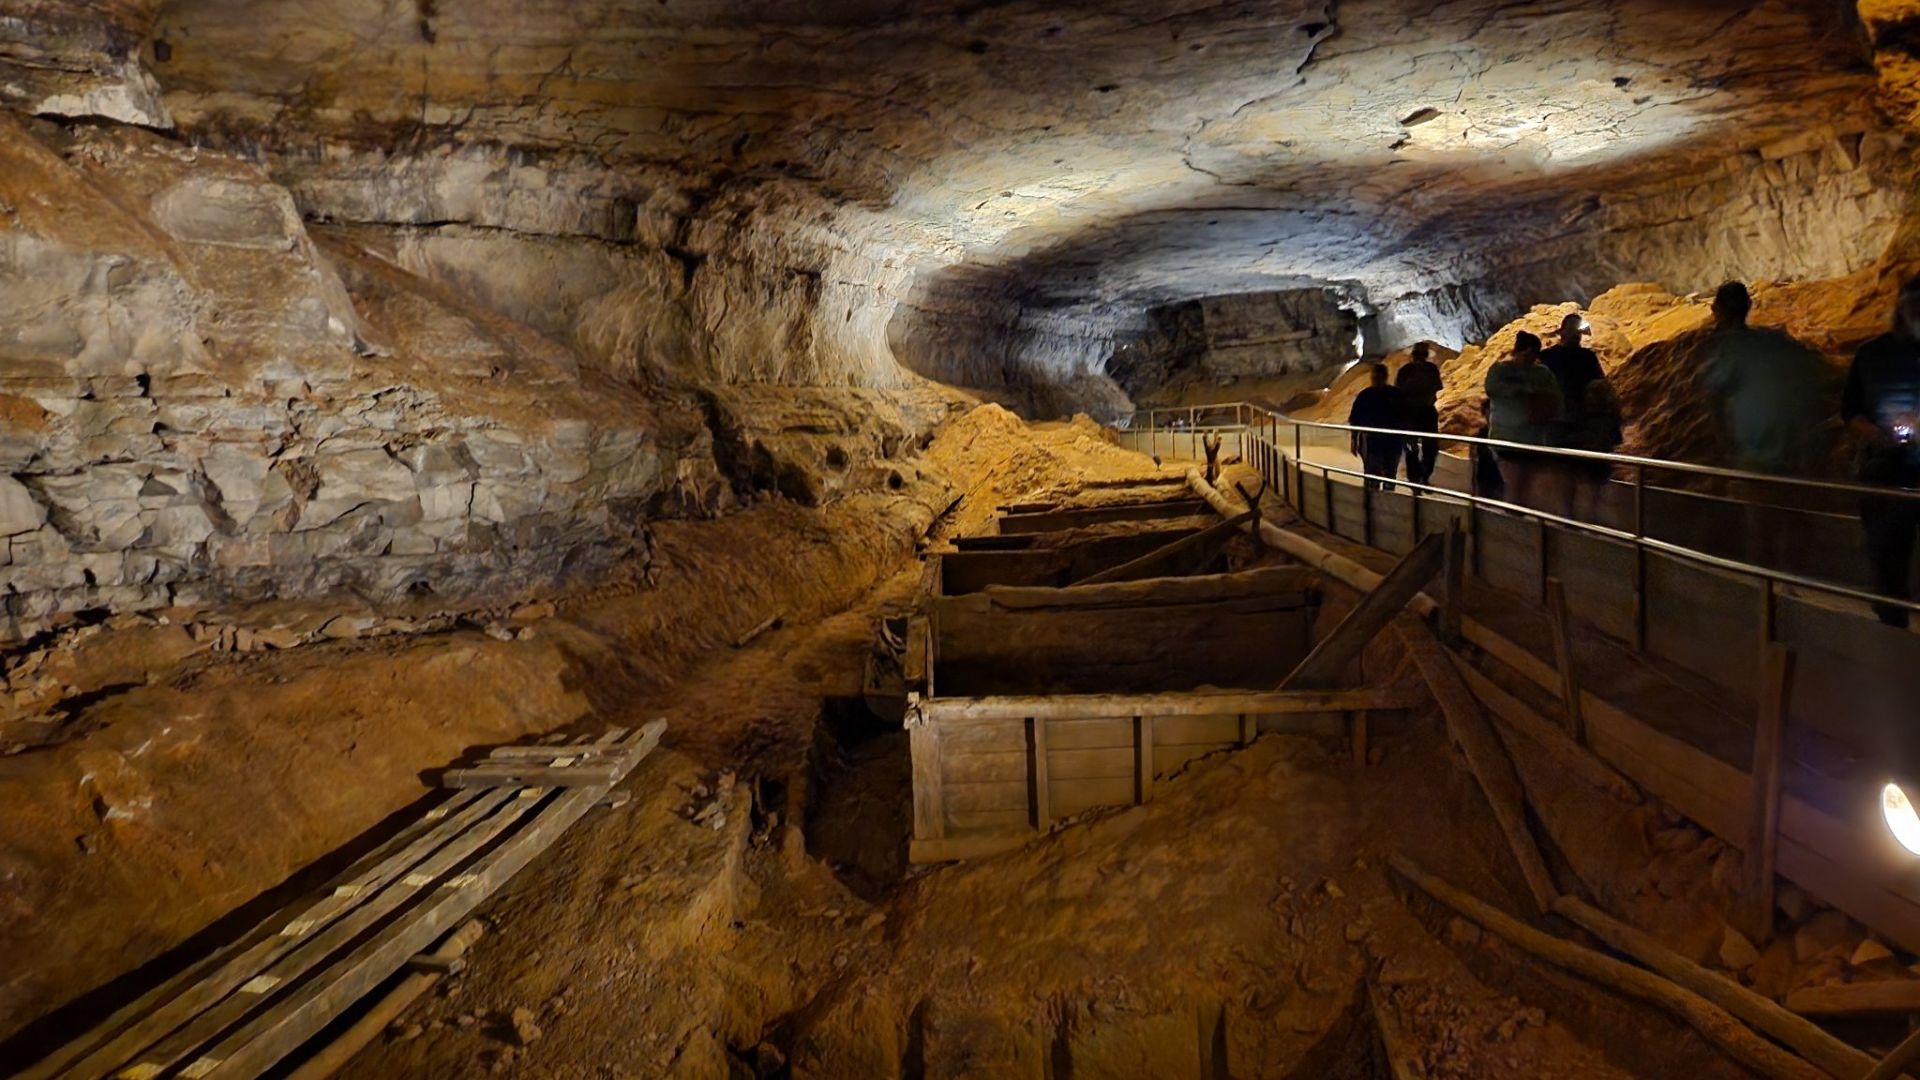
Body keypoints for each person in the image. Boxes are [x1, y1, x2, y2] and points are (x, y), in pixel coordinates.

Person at [1700, 281, 1832, 569]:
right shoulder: (1776, 341)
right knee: (1796, 522)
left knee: (1762, 528)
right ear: (1749, 306)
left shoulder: (1731, 350)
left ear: (1716, 310)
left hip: (1757, 452)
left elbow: (1712, 396)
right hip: (1797, 447)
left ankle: (1767, 594)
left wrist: (1728, 447)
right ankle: (1788, 586)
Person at [1843, 274, 1920, 627]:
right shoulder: (1873, 354)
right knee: (1888, 565)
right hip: (1886, 474)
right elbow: (1850, 410)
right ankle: (1894, 644)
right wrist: (1876, 433)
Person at [1483, 331, 1563, 509]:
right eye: (1526, 354)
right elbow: (1492, 389)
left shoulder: (1543, 374)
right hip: (1505, 439)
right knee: (1515, 485)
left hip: (1532, 438)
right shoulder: (1500, 371)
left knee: (1526, 487)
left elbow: (1555, 399)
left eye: (1533, 355)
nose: (1528, 360)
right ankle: (1514, 526)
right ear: (1517, 351)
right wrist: (1525, 389)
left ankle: (1517, 523)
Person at [1540, 313, 1605, 518]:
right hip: (1575, 419)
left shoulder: (1549, 357)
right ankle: (1578, 514)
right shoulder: (1586, 358)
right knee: (1574, 468)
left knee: (1564, 468)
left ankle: (1566, 513)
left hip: (1561, 419)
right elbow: (1599, 384)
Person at [1348, 362, 1407, 490]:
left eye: (1379, 377)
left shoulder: (1392, 395)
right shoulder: (1367, 396)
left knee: (1388, 473)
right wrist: (1354, 440)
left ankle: (1381, 500)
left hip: (1389, 441)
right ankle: (1374, 500)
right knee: (1374, 473)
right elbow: (1355, 420)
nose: (1377, 380)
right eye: (1376, 378)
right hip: (1374, 441)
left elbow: (1405, 416)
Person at [1396, 342, 1443, 487]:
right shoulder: (1431, 369)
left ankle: (1415, 478)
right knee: (1431, 447)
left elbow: (1399, 392)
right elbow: (1437, 389)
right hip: (1426, 411)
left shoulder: (1405, 371)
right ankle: (1423, 475)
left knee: (1411, 447)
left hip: (1409, 413)